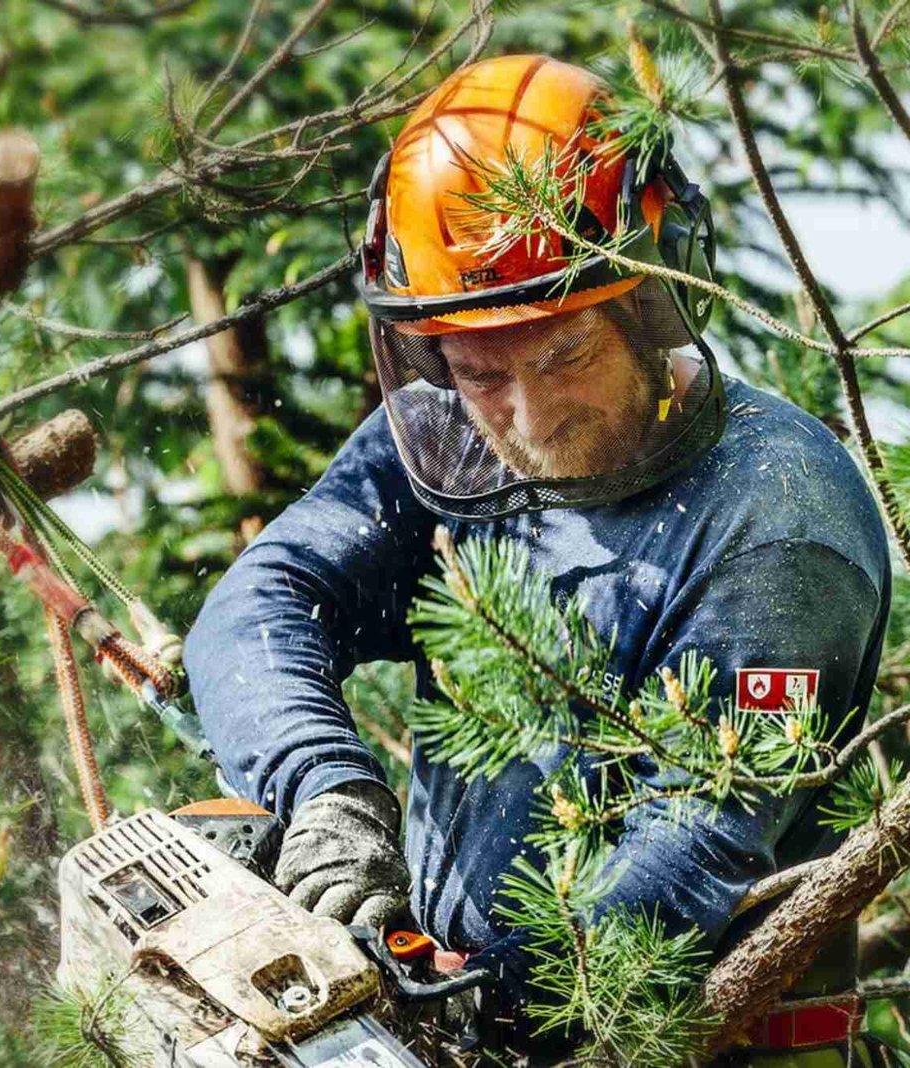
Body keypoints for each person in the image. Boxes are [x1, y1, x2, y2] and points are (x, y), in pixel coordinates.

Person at [182, 54, 892, 1062]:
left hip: (684, 1041)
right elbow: (262, 600)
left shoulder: (778, 520)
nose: (527, 415)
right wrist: (327, 790)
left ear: (649, 303)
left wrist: (471, 1003)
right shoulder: (455, 443)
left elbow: (691, 847)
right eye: (480, 372)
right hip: (455, 1012)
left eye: (564, 354)